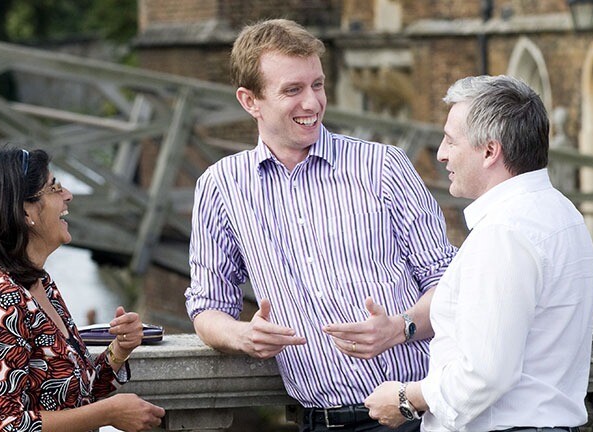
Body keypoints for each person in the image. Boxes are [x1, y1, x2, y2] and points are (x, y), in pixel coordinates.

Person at [184, 19, 456, 432]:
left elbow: (449, 285)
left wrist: (399, 329)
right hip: (318, 422)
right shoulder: (220, 187)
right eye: (292, 90)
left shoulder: (383, 166)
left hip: (416, 414)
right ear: (249, 100)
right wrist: (243, 335)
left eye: (318, 85)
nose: (312, 102)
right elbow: (206, 307)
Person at [364, 75, 593, 432]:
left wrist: (406, 398)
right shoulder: (563, 213)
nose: (441, 153)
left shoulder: (503, 232)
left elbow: (485, 373)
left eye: (450, 140)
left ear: (490, 151)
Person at [0, 147, 165, 432]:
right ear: (25, 211)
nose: (67, 194)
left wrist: (120, 349)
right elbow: (4, 426)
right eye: (54, 187)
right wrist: (108, 413)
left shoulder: (40, 285)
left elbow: (76, 394)